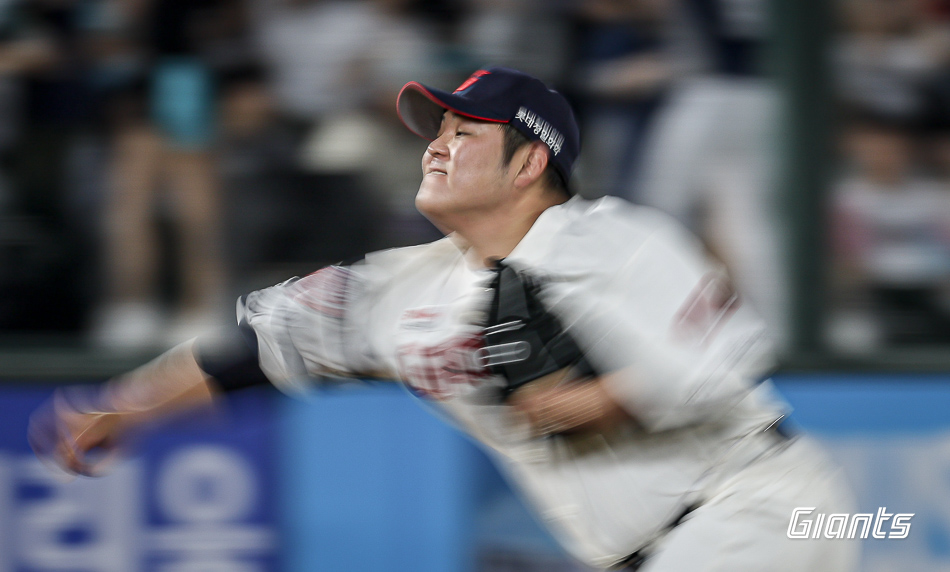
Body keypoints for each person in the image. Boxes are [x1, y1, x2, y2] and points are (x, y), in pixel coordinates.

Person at [28, 67, 858, 571]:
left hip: (760, 510)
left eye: (465, 131)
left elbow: (726, 361)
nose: (436, 144)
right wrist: (130, 407)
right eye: (438, 129)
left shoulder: (622, 242)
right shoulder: (401, 292)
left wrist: (602, 396)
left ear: (531, 160)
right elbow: (258, 347)